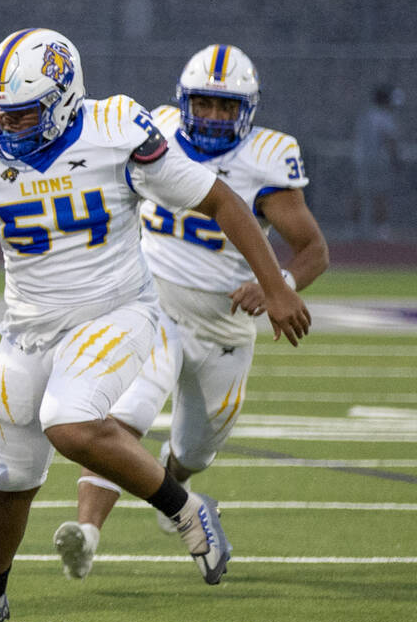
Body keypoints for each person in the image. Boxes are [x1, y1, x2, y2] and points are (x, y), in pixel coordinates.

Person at [0, 28, 311, 622]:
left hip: (116, 312)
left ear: (65, 97)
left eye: (24, 112)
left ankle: (183, 507)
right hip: (28, 328)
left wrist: (278, 284)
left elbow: (221, 201)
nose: (9, 127)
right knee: (10, 477)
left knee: (68, 421)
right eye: (1, 114)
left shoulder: (118, 130)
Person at [52, 44, 330, 581]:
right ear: (183, 102)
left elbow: (313, 248)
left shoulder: (266, 157)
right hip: (151, 306)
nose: (213, 117)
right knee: (122, 417)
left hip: (224, 324)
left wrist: (280, 284)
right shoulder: (152, 131)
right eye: (203, 104)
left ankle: (175, 491)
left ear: (247, 110)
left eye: (226, 108)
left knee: (195, 450)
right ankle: (87, 533)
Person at [351, 83, 405, 240]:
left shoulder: (365, 115)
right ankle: (381, 231)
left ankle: (354, 228)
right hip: (377, 161)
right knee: (380, 194)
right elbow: (390, 140)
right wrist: (397, 160)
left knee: (359, 193)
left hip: (361, 159)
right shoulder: (384, 117)